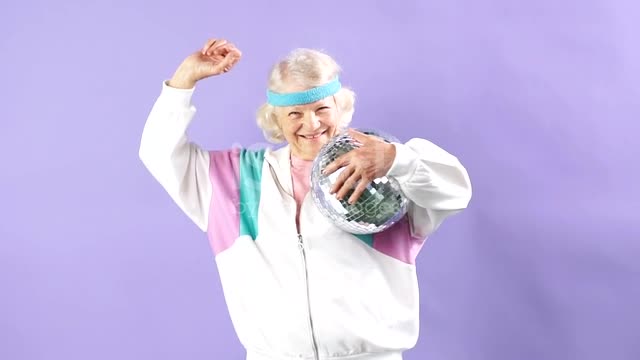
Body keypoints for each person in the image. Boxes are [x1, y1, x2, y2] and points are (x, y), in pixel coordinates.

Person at [138, 38, 472, 360]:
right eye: (295, 113)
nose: (311, 124)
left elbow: (455, 191)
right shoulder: (233, 180)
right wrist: (183, 80)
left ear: (340, 108)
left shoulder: (383, 169)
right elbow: (158, 152)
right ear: (276, 118)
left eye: (321, 108)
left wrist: (397, 160)